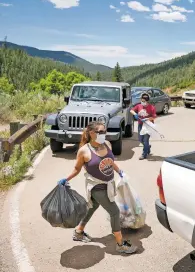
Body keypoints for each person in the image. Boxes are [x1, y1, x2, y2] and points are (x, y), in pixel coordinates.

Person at [57, 121, 138, 254]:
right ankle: (120, 244)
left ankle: (79, 232)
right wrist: (66, 179)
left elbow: (110, 162)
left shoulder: (107, 144)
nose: (103, 134)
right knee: (115, 212)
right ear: (91, 133)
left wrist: (119, 171)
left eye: (104, 131)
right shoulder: (84, 151)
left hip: (108, 184)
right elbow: (76, 169)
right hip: (96, 186)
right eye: (100, 132)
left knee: (92, 207)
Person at [130, 93, 157, 160]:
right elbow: (131, 110)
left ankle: (144, 154)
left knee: (145, 140)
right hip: (140, 125)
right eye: (142, 101)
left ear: (147, 101)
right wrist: (135, 114)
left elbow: (154, 117)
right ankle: (147, 146)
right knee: (140, 139)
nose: (142, 102)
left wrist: (147, 119)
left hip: (148, 125)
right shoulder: (139, 106)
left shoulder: (151, 107)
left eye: (144, 101)